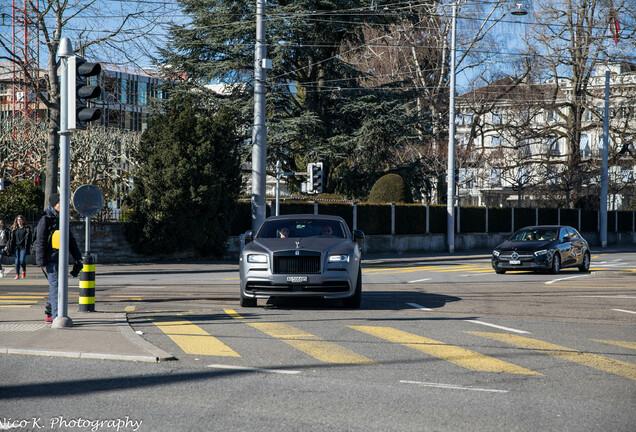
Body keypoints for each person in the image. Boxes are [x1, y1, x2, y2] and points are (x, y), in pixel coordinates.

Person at [36, 193, 82, 323]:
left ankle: (50, 313)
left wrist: (78, 258)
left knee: (57, 286)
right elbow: (40, 240)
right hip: (51, 259)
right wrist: (40, 261)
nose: (63, 206)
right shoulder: (46, 219)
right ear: (54, 204)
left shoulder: (62, 219)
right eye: (60, 203)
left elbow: (71, 241)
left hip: (61, 260)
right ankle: (57, 317)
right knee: (56, 288)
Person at [7, 215, 33, 279]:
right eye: (18, 220)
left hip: (23, 246)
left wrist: (29, 246)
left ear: (23, 221)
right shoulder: (14, 229)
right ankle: (17, 274)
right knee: (17, 260)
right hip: (16, 246)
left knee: (22, 260)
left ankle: (23, 270)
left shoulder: (26, 229)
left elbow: (29, 239)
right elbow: (11, 239)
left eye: (21, 220)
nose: (19, 221)